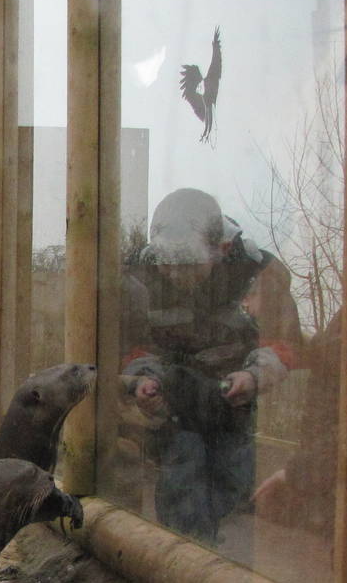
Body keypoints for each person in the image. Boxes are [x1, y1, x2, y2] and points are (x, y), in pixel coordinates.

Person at [120, 187, 301, 544]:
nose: (175, 274)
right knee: (181, 470)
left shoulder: (258, 272)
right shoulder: (139, 276)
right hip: (173, 406)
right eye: (167, 264)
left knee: (233, 484)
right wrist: (142, 380)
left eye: (187, 264)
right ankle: (180, 554)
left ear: (222, 249)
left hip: (233, 403)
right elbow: (132, 346)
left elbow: (284, 343)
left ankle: (225, 566)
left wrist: (253, 377)